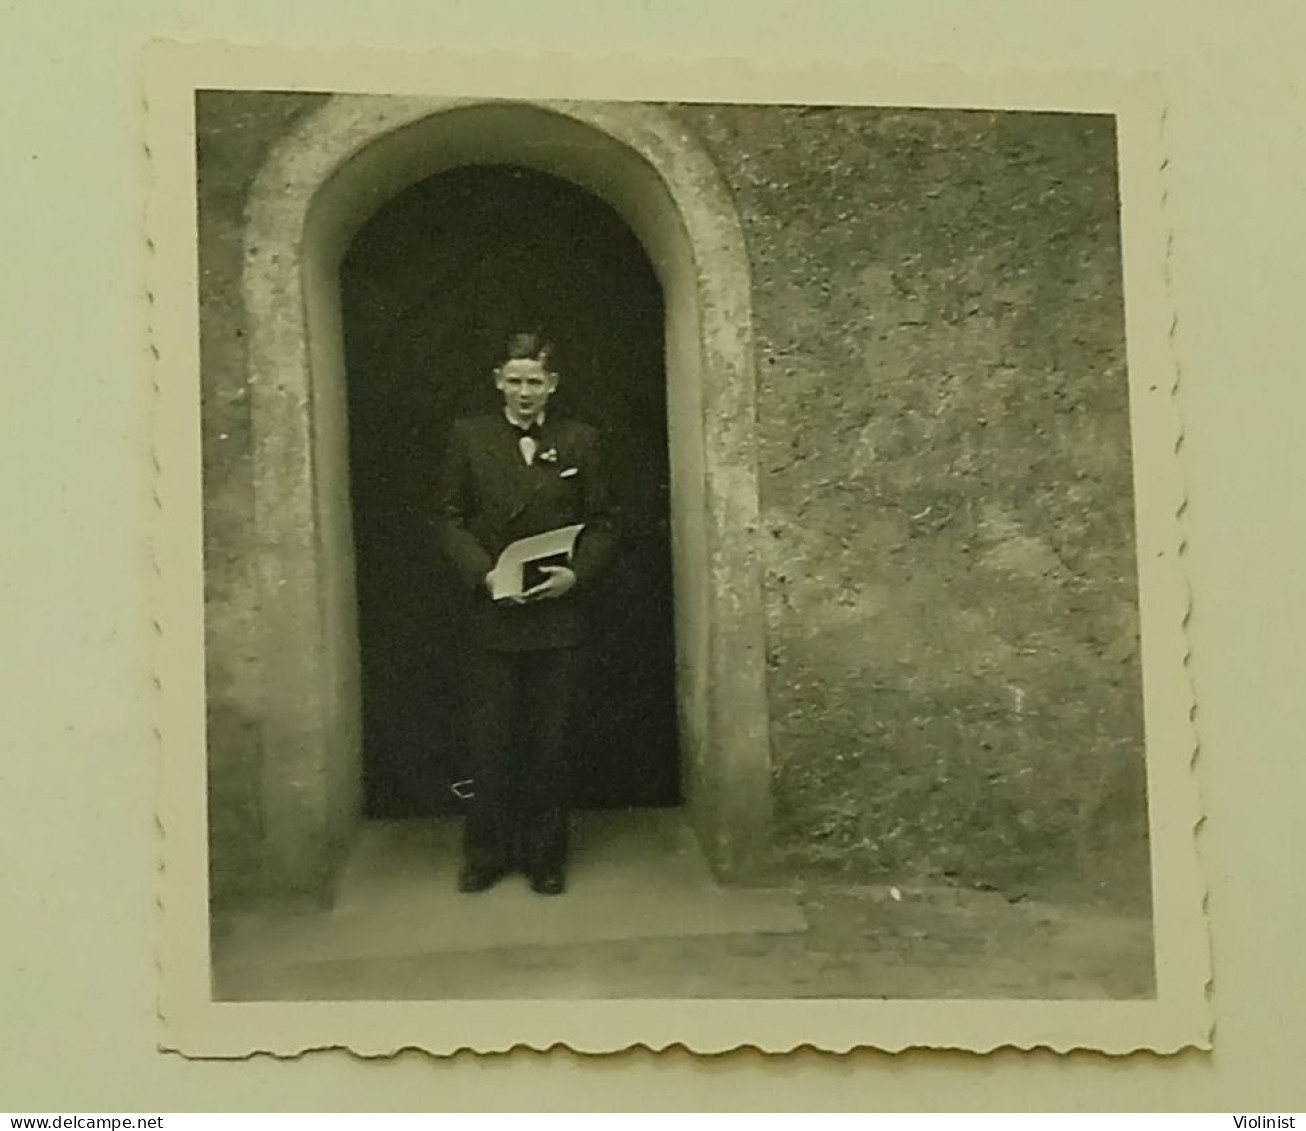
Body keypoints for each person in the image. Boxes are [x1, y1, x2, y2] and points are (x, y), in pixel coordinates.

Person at [435, 332, 618, 895]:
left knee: (550, 742)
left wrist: (576, 576)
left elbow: (605, 521)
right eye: (513, 381)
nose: (523, 393)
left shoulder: (580, 441)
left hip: (556, 616)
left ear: (552, 385)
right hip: (493, 613)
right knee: (489, 740)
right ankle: (485, 855)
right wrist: (485, 574)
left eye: (534, 382)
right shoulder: (469, 438)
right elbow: (449, 517)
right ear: (497, 381)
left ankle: (545, 857)